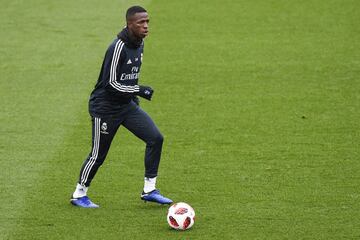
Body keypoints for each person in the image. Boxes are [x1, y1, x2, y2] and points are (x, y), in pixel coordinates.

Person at [70, 6, 173, 208]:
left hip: (126, 106)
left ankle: (149, 189)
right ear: (129, 24)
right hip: (104, 108)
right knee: (98, 154)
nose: (146, 26)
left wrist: (134, 98)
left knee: (155, 138)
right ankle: (79, 194)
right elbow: (110, 84)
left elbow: (130, 74)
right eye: (141, 23)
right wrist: (139, 90)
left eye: (147, 22)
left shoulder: (140, 43)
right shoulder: (117, 47)